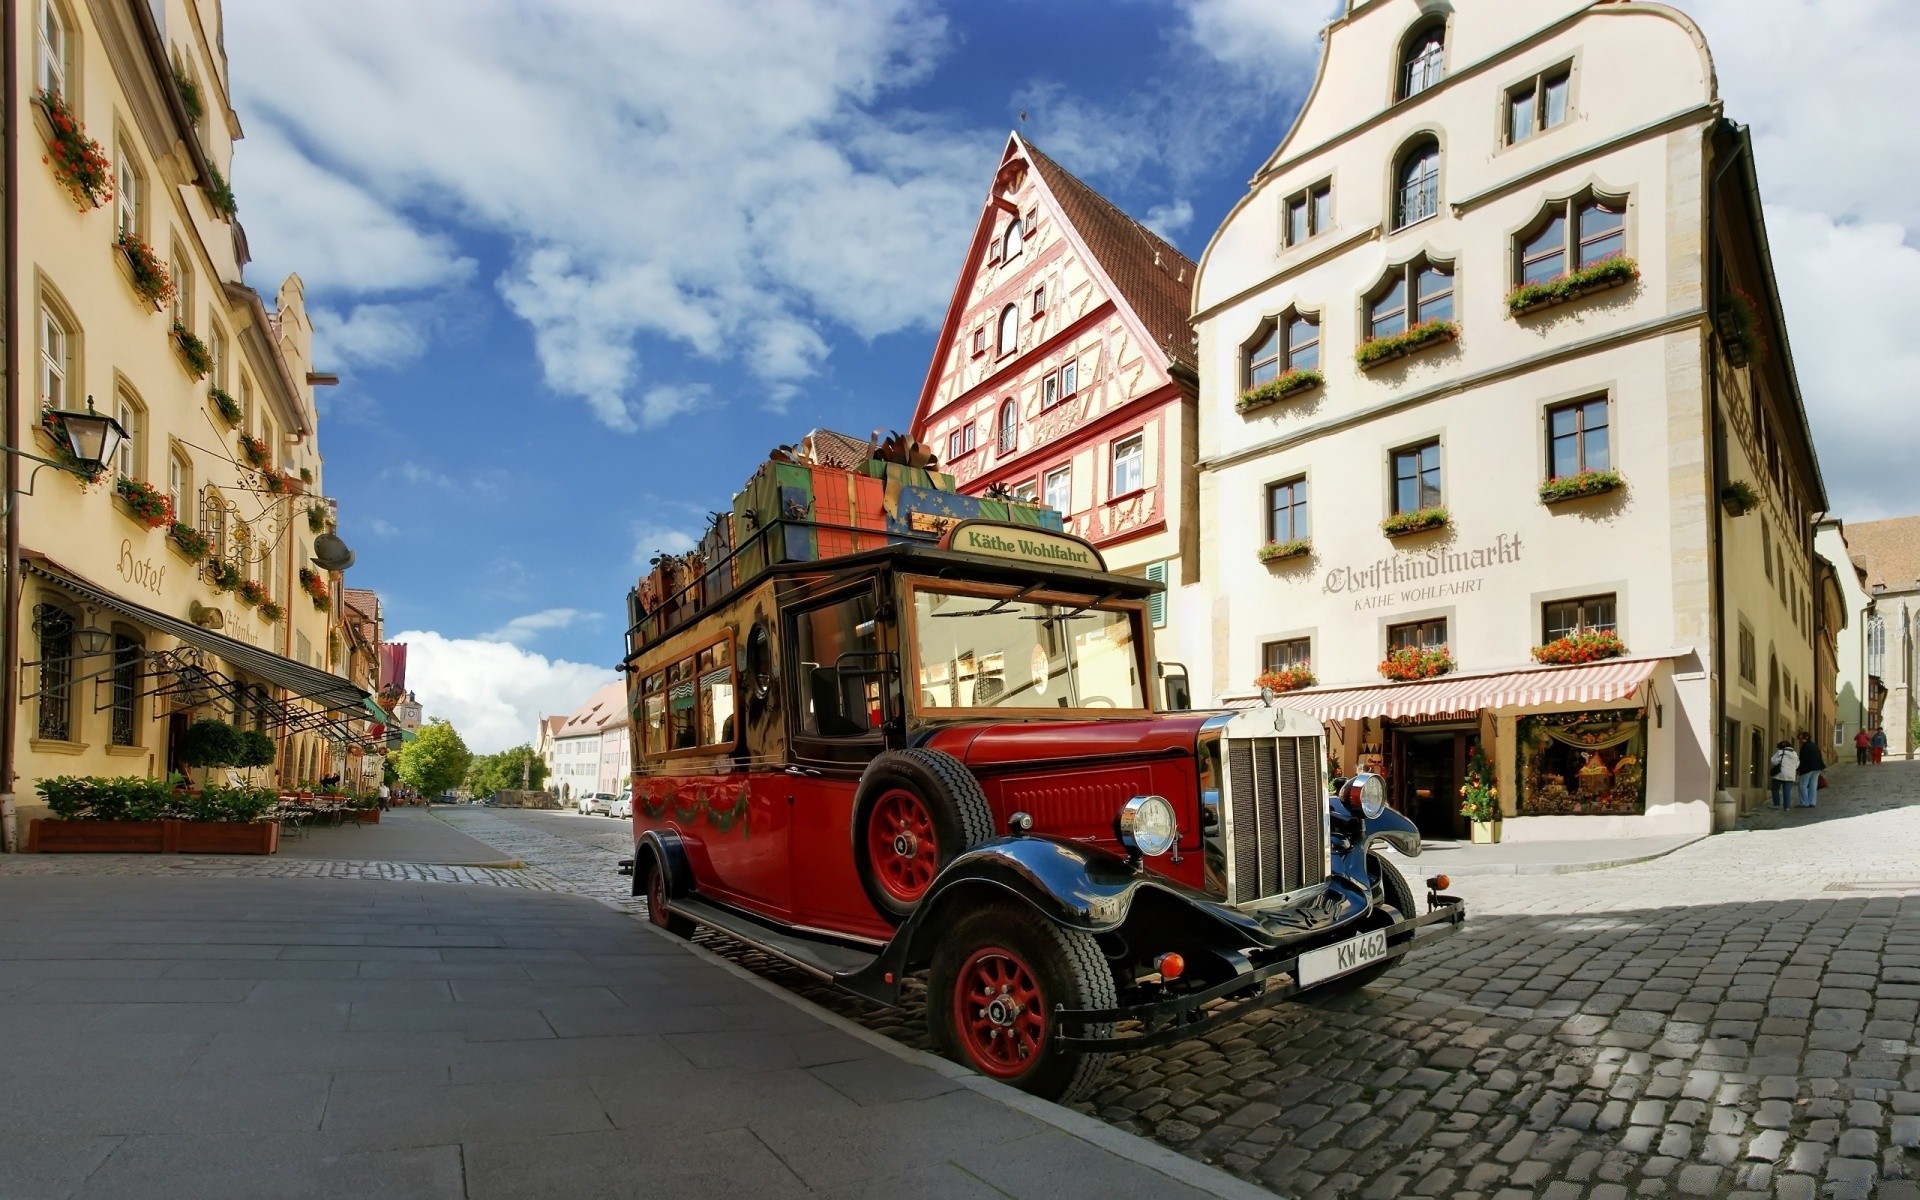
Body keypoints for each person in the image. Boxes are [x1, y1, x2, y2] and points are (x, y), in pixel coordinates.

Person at [1795, 731, 1825, 809]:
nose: (1800, 740)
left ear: (1806, 737)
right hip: (1817, 768)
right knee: (1813, 785)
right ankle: (1812, 802)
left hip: (1808, 768)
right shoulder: (1814, 745)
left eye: (1801, 738)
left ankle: (1804, 803)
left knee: (1802, 785)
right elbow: (1819, 756)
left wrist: (1799, 769)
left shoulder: (1805, 746)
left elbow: (1803, 759)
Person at [1768, 739, 1798, 809]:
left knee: (1775, 789)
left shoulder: (1780, 752)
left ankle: (1776, 804)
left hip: (1779, 773)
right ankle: (1787, 806)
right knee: (1787, 791)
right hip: (1790, 774)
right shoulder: (1794, 754)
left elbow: (1773, 761)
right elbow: (1797, 764)